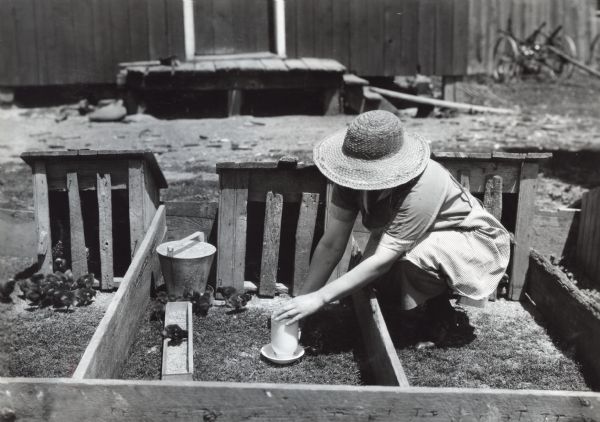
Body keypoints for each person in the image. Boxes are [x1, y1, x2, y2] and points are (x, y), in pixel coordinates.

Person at [273, 110, 511, 344]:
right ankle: (413, 307)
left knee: (407, 259)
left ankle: (431, 321)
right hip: (422, 236)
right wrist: (302, 304)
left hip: (470, 240)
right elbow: (332, 242)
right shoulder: (348, 177)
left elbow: (383, 259)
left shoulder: (424, 185)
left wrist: (320, 298)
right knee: (370, 273)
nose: (359, 175)